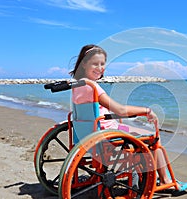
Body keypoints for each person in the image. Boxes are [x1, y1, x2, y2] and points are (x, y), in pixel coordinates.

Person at [69, 44, 171, 185]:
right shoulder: (93, 87)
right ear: (84, 64)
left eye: (102, 64)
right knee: (153, 135)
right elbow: (120, 110)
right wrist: (146, 110)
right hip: (106, 133)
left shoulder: (77, 85)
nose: (99, 68)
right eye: (95, 64)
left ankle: (147, 173)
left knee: (135, 130)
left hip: (87, 133)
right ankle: (165, 180)